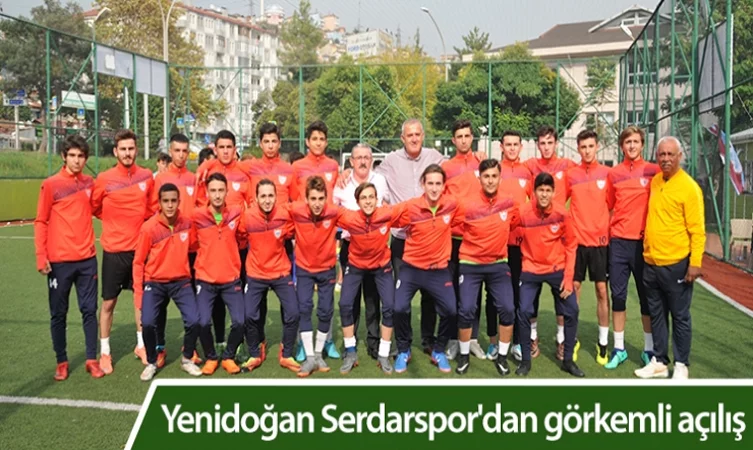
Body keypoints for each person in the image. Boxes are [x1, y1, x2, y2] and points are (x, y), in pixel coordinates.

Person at [371, 119, 446, 354]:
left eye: (417, 134)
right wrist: (346, 173)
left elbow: (457, 172)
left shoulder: (436, 157)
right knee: (400, 296)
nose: (414, 138)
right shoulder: (391, 160)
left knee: (429, 294)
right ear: (402, 138)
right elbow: (370, 178)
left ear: (423, 136)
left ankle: (428, 339)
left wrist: (477, 158)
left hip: (428, 239)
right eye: (409, 135)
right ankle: (403, 342)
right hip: (402, 239)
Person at [35, 135, 104, 381]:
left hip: (87, 259)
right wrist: (41, 255)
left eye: (81, 156)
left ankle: (91, 359)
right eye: (72, 155)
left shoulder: (89, 183)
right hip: (59, 262)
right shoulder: (51, 185)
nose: (76, 160)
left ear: (86, 159)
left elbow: (100, 210)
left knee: (89, 310)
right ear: (64, 156)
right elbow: (41, 221)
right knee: (58, 313)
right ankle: (62, 361)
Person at [635, 136, 705, 380]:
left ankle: (682, 364)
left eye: (670, 154)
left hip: (676, 264)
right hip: (651, 262)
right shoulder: (656, 181)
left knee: (680, 315)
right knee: (656, 314)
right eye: (662, 154)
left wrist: (695, 263)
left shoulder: (689, 188)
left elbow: (698, 230)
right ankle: (660, 361)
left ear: (679, 156)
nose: (665, 159)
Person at [91, 129, 154, 374]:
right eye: (123, 149)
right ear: (115, 151)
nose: (127, 153)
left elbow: (151, 209)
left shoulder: (146, 176)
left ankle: (141, 346)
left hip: (139, 251)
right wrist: (113, 222)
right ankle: (105, 352)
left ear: (136, 150)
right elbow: (95, 206)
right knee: (109, 303)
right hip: (114, 251)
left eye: (131, 148)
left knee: (141, 301)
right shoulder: (104, 179)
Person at [392, 164, 462, 374]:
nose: (434, 188)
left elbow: (471, 217)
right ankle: (403, 349)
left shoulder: (452, 205)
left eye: (438, 184)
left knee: (451, 310)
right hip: (411, 269)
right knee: (399, 308)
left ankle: (438, 350)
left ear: (444, 186)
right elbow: (387, 217)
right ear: (423, 184)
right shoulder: (410, 207)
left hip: (438, 270)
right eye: (430, 183)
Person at [455, 159, 520, 376]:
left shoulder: (509, 203)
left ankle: (501, 357)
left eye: (494, 176)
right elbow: (451, 225)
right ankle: (464, 356)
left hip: (498, 264)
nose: (490, 180)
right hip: (470, 263)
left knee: (508, 308)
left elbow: (517, 221)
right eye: (486, 176)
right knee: (466, 309)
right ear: (479, 178)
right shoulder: (466, 204)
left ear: (500, 178)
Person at [517, 173, 584, 378]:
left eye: (548, 190)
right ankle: (525, 361)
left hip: (556, 269)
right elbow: (510, 232)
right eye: (540, 190)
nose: (544, 194)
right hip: (531, 269)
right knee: (524, 310)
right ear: (534, 192)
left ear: (554, 193)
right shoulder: (523, 213)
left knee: (572, 309)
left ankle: (568, 360)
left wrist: (568, 277)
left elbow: (571, 245)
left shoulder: (562, 214)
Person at [133, 183, 202, 381]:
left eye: (173, 201)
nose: (170, 205)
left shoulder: (187, 223)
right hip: (154, 283)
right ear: (159, 203)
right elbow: (138, 262)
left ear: (179, 202)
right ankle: (152, 362)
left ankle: (187, 359)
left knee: (194, 320)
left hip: (181, 282)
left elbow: (195, 247)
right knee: (147, 322)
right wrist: (139, 293)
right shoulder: (149, 228)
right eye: (166, 201)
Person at [605, 126, 659, 369]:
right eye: (628, 142)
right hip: (618, 243)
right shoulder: (614, 174)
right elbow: (609, 205)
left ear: (642, 145)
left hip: (643, 244)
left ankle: (649, 350)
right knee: (618, 296)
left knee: (647, 298)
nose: (632, 146)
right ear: (622, 146)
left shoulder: (653, 171)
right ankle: (619, 349)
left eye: (636, 141)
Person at [240, 122, 296, 358]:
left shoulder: (289, 170)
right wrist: (207, 165)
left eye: (274, 141)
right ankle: (259, 341)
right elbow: (226, 165)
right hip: (258, 236)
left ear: (279, 143)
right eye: (266, 141)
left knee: (288, 299)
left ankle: (288, 344)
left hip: (282, 237)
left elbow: (296, 202)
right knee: (257, 296)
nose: (271, 145)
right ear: (260, 143)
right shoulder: (250, 167)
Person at [195, 130, 252, 356]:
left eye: (229, 147)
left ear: (235, 149)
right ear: (215, 149)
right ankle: (219, 339)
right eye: (222, 147)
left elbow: (250, 205)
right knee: (215, 297)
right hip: (214, 243)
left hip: (239, 245)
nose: (226, 151)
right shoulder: (207, 172)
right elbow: (200, 205)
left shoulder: (244, 172)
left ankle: (241, 342)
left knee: (241, 295)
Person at [332, 143, 389, 360]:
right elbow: (332, 208)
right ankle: (351, 343)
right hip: (350, 246)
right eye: (359, 158)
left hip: (375, 247)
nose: (363, 161)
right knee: (351, 299)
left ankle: (374, 343)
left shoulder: (380, 181)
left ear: (371, 159)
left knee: (373, 299)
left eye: (367, 157)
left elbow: (388, 205)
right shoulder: (342, 182)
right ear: (351, 161)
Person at [524, 125, 577, 361]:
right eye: (542, 143)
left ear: (556, 143)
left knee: (563, 297)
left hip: (559, 238)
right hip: (535, 239)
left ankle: (562, 340)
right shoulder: (530, 166)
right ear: (537, 145)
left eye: (550, 142)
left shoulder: (568, 166)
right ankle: (532, 338)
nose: (546, 147)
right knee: (531, 298)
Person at [336, 182, 398, 374]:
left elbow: (410, 208)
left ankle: (383, 354)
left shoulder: (386, 214)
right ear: (357, 202)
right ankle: (350, 352)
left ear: (377, 199)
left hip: (381, 267)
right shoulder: (350, 217)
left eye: (371, 197)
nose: (368, 201)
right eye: (364, 198)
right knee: (345, 304)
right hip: (356, 267)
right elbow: (327, 210)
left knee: (389, 306)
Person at [442, 119, 490, 361]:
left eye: (467, 136)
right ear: (453, 140)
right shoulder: (446, 167)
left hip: (476, 237)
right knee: (452, 290)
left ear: (472, 138)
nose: (463, 140)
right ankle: (453, 339)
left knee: (474, 290)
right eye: (459, 136)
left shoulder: (481, 163)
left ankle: (472, 339)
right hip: (453, 238)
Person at [242, 179, 301, 373]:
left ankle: (286, 353)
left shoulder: (284, 215)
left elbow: (293, 232)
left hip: (280, 271)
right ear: (256, 198)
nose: (267, 200)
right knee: (249, 314)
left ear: (276, 197)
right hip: (256, 273)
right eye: (263, 196)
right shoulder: (247, 217)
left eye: (270, 196)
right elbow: (238, 236)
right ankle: (255, 352)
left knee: (293, 312)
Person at [192, 173, 247, 375]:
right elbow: (190, 241)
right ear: (207, 192)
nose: (217, 195)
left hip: (231, 279)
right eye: (213, 190)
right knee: (202, 322)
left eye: (221, 190)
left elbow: (244, 233)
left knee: (240, 321)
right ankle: (211, 357)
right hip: (205, 280)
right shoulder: (197, 216)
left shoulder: (236, 212)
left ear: (227, 191)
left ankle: (228, 356)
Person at [566, 129, 612, 365]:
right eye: (583, 147)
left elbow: (612, 205)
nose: (587, 151)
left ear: (597, 146)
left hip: (600, 244)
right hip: (576, 243)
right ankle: (572, 339)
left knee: (602, 291)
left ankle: (603, 343)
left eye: (590, 146)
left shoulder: (607, 174)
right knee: (574, 289)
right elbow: (560, 202)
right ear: (578, 148)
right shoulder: (571, 175)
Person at [150, 133, 197, 366]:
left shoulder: (193, 179)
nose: (181, 155)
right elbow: (152, 210)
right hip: (166, 248)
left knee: (191, 301)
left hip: (190, 248)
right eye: (177, 151)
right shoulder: (160, 179)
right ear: (170, 151)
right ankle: (159, 347)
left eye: (185, 151)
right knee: (160, 304)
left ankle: (191, 347)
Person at [290, 176, 341, 377]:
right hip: (304, 269)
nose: (317, 203)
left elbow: (354, 217)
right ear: (306, 199)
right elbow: (277, 211)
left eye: (321, 198)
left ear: (326, 198)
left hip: (327, 269)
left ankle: (318, 354)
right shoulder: (296, 210)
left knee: (326, 311)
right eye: (313, 199)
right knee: (304, 308)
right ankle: (309, 356)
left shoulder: (334, 212)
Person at [498, 130, 533, 362]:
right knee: (498, 295)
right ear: (501, 146)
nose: (511, 148)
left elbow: (536, 202)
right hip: (498, 243)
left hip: (521, 244)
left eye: (515, 144)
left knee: (520, 295)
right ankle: (496, 342)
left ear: (520, 147)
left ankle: (519, 343)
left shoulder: (527, 172)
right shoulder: (495, 170)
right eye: (508, 144)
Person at [291, 121, 340, 201]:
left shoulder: (333, 165)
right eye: (314, 139)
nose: (318, 143)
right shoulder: (296, 166)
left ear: (326, 143)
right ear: (307, 142)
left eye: (322, 139)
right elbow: (294, 196)